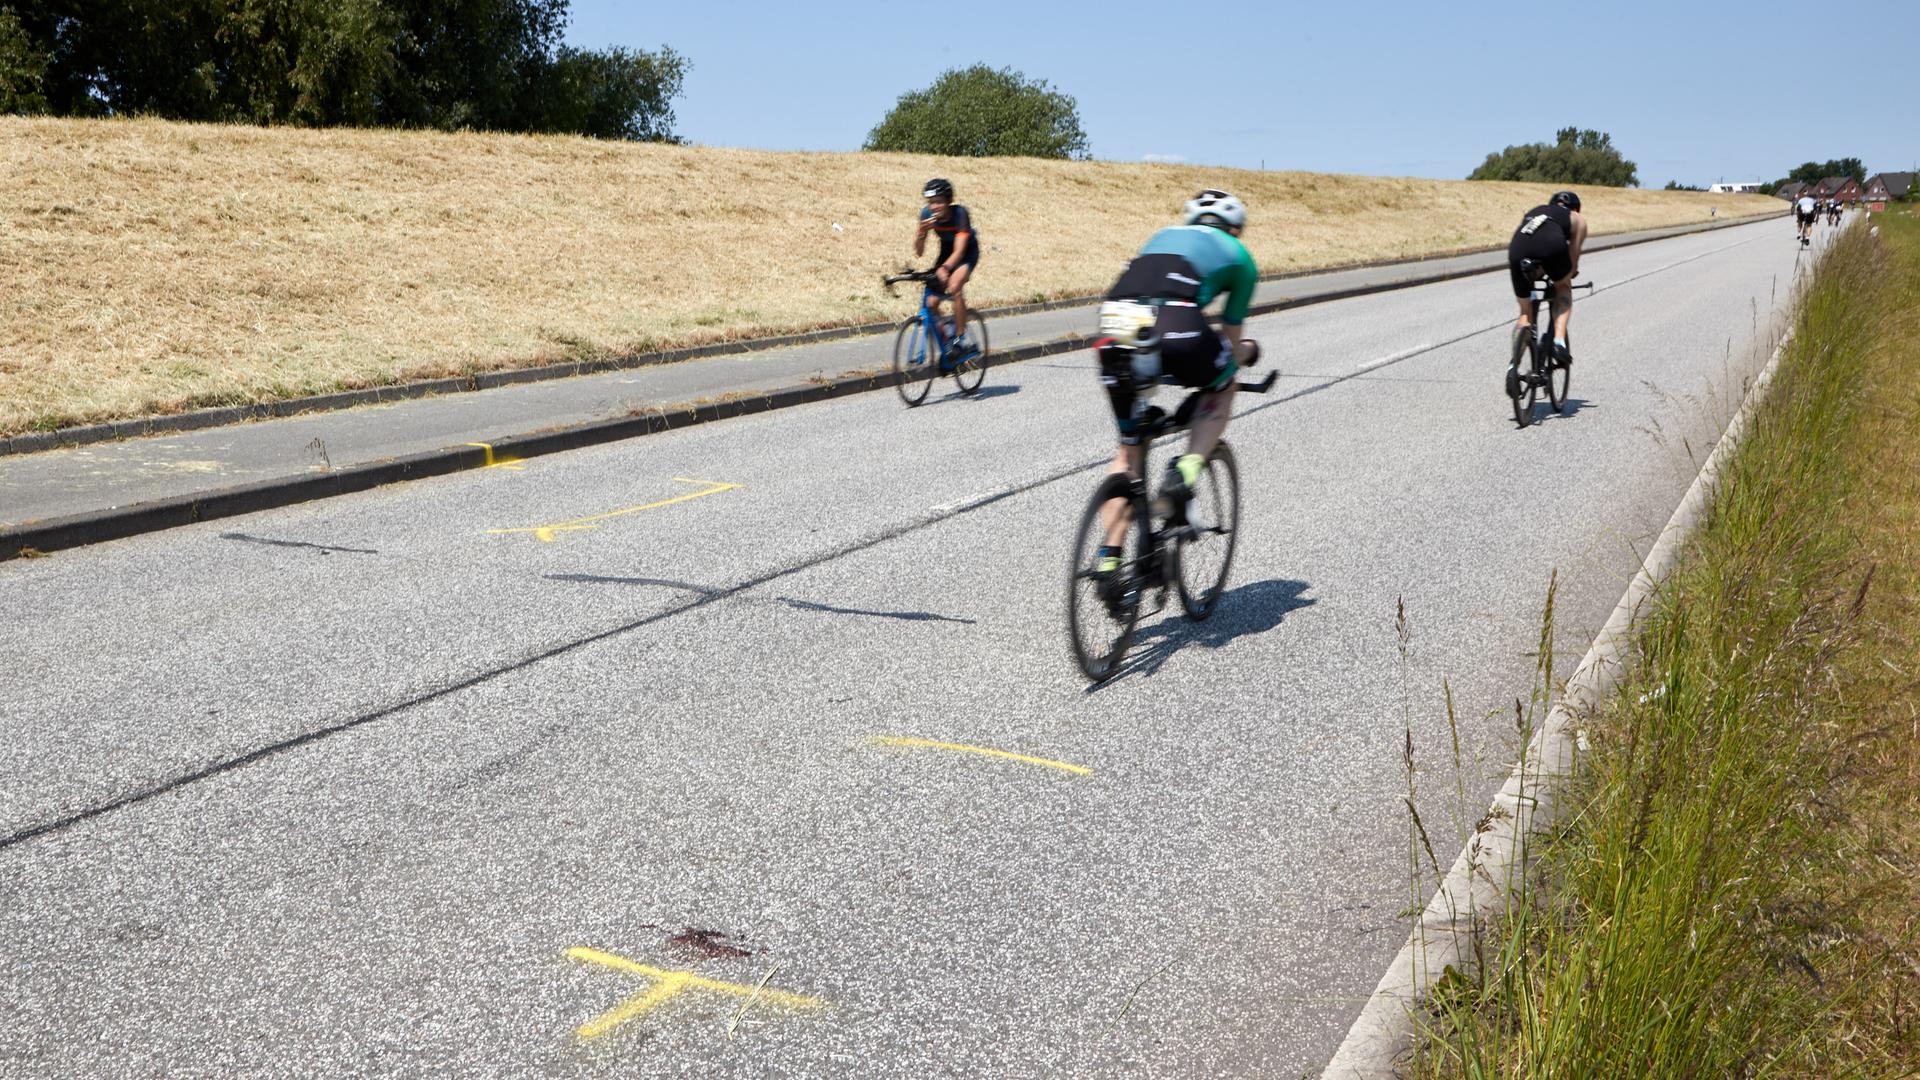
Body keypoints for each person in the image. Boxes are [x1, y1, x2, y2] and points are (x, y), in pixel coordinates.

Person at [1090, 190, 1261, 575]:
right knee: (1223, 382)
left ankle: (1108, 563)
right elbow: (1231, 340)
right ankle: (1184, 472)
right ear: (1235, 228)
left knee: (1127, 452)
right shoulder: (1240, 257)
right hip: (1175, 323)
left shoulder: (1160, 236)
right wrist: (1244, 354)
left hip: (1114, 322)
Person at [1506, 190, 1587, 369]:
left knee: (1525, 313)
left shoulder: (1536, 211)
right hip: (1551, 246)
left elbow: (1532, 240)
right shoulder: (1577, 218)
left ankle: (1513, 366)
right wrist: (1569, 275)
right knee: (1563, 288)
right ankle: (1559, 342)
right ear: (1575, 209)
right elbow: (1573, 258)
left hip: (1518, 248)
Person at [912, 178, 980, 361]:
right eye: (931, 203)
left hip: (966, 251)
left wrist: (945, 268)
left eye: (939, 202)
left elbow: (959, 250)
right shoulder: (926, 214)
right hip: (945, 252)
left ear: (948, 201)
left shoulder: (960, 214)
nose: (934, 207)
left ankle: (959, 339)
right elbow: (918, 252)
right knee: (931, 303)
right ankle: (947, 345)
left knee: (955, 285)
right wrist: (920, 232)